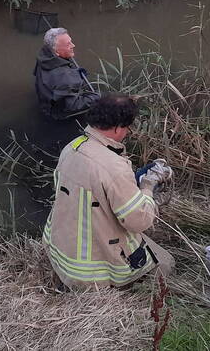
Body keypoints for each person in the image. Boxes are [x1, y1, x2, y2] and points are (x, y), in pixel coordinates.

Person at [43, 93, 174, 290]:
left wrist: (131, 181)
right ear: (117, 127)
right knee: (166, 263)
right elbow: (139, 221)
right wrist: (147, 187)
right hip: (88, 276)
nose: (128, 132)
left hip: (60, 253)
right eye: (128, 127)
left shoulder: (72, 147)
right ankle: (124, 289)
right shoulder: (113, 167)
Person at [34, 27, 99, 124]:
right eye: (68, 44)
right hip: (59, 116)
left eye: (71, 41)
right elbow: (72, 106)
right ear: (56, 51)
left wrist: (75, 73)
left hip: (46, 102)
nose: (73, 45)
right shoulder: (64, 77)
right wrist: (97, 97)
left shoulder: (44, 57)